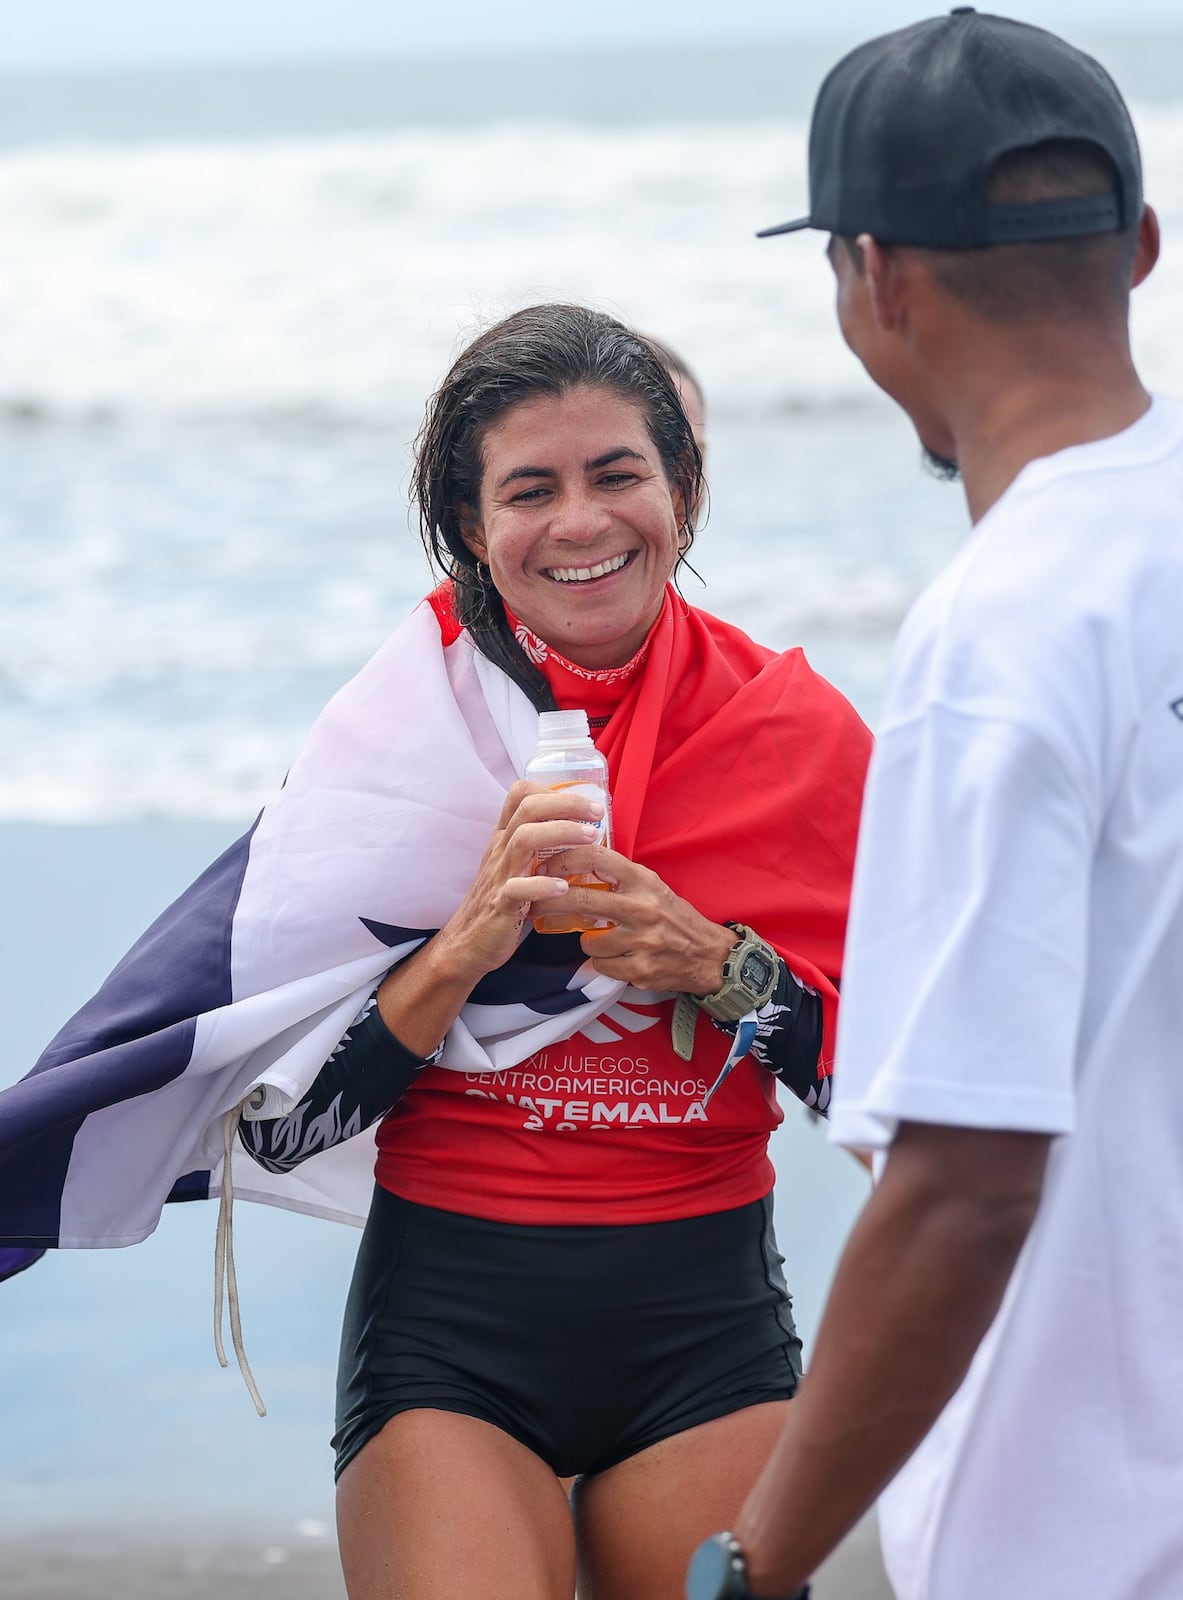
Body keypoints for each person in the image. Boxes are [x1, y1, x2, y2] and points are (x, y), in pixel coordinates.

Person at [0, 305, 873, 1600]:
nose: (581, 521)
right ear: (477, 528)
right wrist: (465, 945)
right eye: (532, 488)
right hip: (454, 1343)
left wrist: (716, 962)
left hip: (704, 1331)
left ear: (682, 493)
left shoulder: (796, 736)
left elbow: (883, 1096)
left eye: (618, 474)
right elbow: (282, 1135)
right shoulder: (396, 750)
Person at [685, 10, 1183, 1600]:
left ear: (875, 280)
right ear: (1142, 245)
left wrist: (752, 1569)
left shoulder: (1005, 631)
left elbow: (966, 1185)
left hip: (1088, 1541)